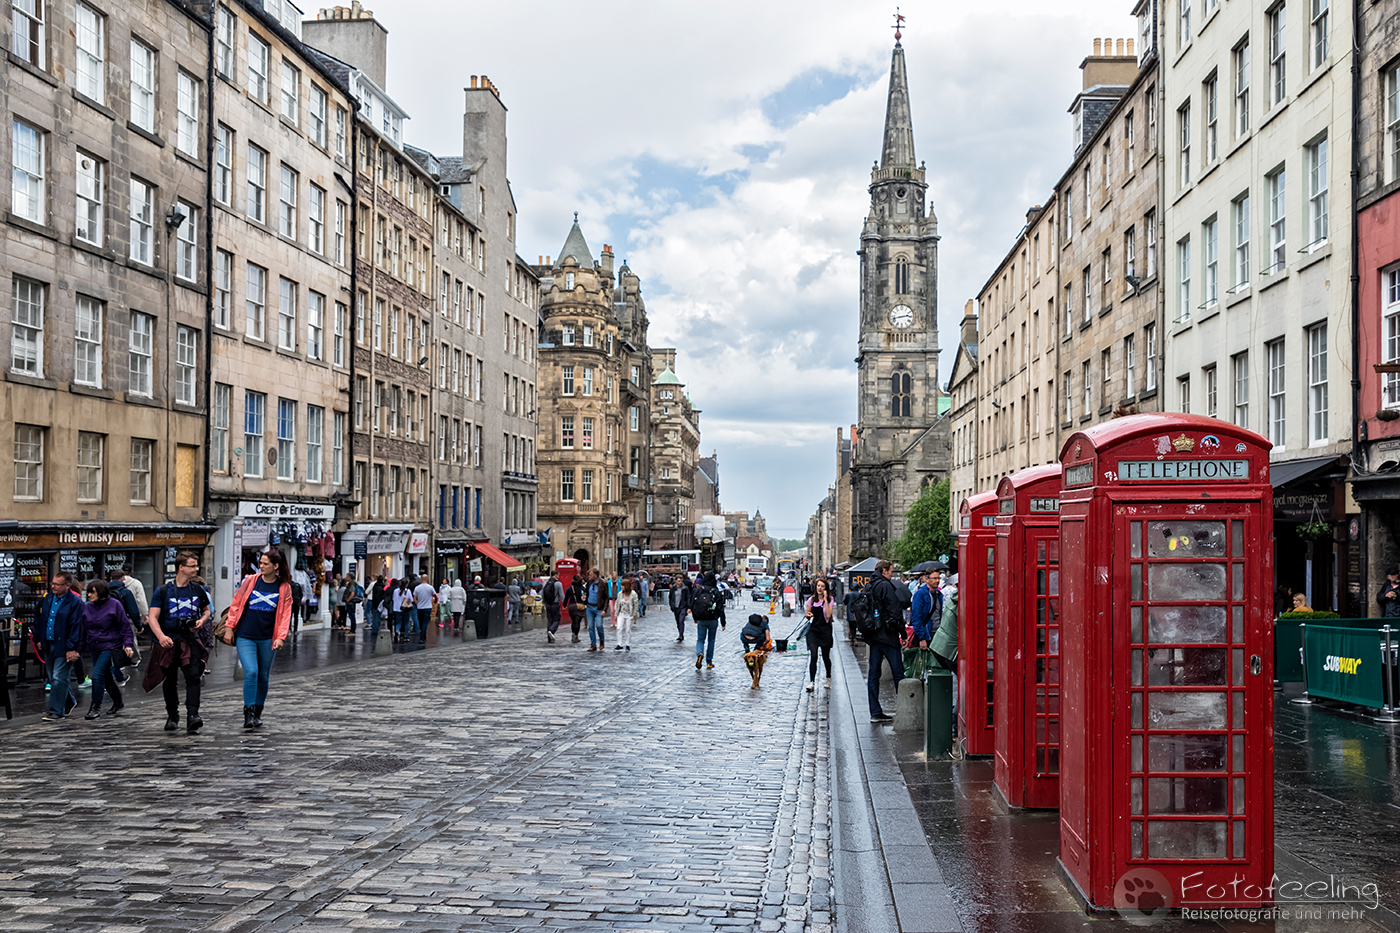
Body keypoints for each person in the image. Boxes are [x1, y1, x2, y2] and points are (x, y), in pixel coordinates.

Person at [225, 549, 292, 729]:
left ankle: (258, 711)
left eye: (265, 564)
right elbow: (236, 603)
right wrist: (230, 628)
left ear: (276, 566)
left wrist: (280, 637)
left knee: (263, 675)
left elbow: (286, 614)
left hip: (268, 638)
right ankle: (248, 712)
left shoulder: (284, 587)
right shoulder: (250, 581)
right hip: (246, 635)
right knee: (252, 671)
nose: (261, 566)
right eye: (260, 563)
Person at [145, 551, 212, 733]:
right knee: (170, 680)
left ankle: (193, 715)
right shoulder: (163, 591)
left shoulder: (198, 589)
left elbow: (207, 611)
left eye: (196, 566)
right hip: (169, 641)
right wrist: (161, 636)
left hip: (190, 640)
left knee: (193, 678)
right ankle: (172, 715)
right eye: (192, 566)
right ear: (181, 567)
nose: (196, 569)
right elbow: (152, 617)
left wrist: (201, 621)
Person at [81, 579, 136, 719]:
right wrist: (77, 648)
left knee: (97, 674)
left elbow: (125, 626)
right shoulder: (88, 607)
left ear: (100, 592)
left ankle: (95, 707)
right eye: (88, 591)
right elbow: (83, 628)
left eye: (92, 592)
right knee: (105, 676)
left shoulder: (115, 605)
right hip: (94, 645)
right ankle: (118, 701)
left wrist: (128, 644)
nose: (88, 595)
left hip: (109, 645)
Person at [36, 572, 84, 722]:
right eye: (52, 583)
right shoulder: (47, 598)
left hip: (64, 645)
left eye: (57, 584)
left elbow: (77, 626)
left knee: (58, 677)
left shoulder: (75, 602)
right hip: (49, 642)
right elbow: (40, 619)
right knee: (54, 677)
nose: (53, 587)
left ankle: (56, 711)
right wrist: (38, 638)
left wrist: (72, 648)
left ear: (67, 586)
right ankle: (69, 701)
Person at [866, 559, 906, 724]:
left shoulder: (868, 586)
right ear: (884, 570)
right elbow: (895, 611)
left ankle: (875, 711)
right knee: (899, 674)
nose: (892, 573)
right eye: (891, 571)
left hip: (873, 636)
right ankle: (905, 710)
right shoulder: (885, 586)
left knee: (873, 674)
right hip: (888, 636)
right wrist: (902, 633)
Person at [803, 577, 837, 692]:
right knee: (813, 655)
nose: (820, 588)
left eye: (822, 586)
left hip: (825, 631)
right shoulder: (811, 600)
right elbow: (807, 614)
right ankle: (811, 682)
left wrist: (826, 600)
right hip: (813, 631)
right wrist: (807, 615)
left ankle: (828, 677)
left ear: (826, 588)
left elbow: (828, 615)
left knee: (826, 657)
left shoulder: (830, 599)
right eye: (818, 586)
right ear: (815, 587)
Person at [691, 572, 727, 670]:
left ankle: (700, 653)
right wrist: (723, 622)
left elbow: (693, 604)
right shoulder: (715, 591)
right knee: (711, 640)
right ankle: (709, 661)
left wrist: (695, 617)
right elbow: (720, 608)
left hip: (701, 618)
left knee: (700, 639)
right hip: (713, 619)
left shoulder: (698, 590)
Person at [615, 578, 639, 651]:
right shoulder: (620, 594)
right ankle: (619, 644)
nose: (621, 587)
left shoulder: (633, 594)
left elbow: (636, 604)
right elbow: (618, 604)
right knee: (619, 628)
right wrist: (616, 614)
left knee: (628, 629)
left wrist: (634, 614)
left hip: (629, 614)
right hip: (621, 613)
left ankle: (627, 644)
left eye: (623, 585)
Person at [585, 569, 606, 651]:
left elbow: (606, 598)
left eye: (591, 575)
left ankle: (601, 640)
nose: (589, 576)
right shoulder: (589, 583)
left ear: (596, 575)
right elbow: (586, 592)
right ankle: (593, 644)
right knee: (590, 626)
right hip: (589, 607)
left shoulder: (603, 584)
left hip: (599, 608)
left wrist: (604, 609)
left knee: (599, 625)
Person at [413, 574, 436, 643]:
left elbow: (414, 598)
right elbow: (435, 595)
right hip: (428, 607)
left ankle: (422, 636)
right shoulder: (430, 587)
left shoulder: (417, 588)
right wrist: (435, 601)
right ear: (427, 579)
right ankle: (422, 637)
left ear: (421, 579)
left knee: (420, 622)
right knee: (425, 623)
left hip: (420, 608)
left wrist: (418, 603)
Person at [542, 572, 564, 643]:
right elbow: (562, 596)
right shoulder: (558, 584)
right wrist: (565, 603)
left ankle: (549, 638)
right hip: (555, 604)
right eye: (558, 574)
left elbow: (542, 594)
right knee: (556, 619)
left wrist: (544, 602)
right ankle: (551, 631)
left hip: (548, 604)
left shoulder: (546, 583)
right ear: (555, 575)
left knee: (549, 620)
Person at [670, 572, 692, 642]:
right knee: (677, 621)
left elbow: (688, 597)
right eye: (678, 581)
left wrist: (688, 607)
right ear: (676, 581)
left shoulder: (685, 588)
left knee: (681, 620)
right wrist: (671, 605)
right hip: (675, 607)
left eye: (681, 581)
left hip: (683, 606)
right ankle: (680, 632)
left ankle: (681, 635)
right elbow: (670, 597)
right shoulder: (673, 588)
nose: (679, 582)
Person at [290, 563, 311, 635]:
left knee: (290, 616)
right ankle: (295, 629)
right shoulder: (297, 585)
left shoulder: (288, 586)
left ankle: (290, 628)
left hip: (291, 602)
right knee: (295, 616)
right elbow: (301, 593)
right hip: (296, 601)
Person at [568, 575, 588, 646]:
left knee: (573, 621)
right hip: (580, 607)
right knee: (577, 622)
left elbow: (566, 597)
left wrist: (564, 605)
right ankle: (575, 636)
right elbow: (585, 597)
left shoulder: (570, 588)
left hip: (571, 606)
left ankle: (573, 634)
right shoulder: (582, 588)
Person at [368, 574, 387, 641]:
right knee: (377, 617)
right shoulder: (380, 588)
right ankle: (376, 629)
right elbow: (378, 597)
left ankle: (375, 629)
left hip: (375, 604)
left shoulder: (376, 586)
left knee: (375, 617)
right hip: (378, 605)